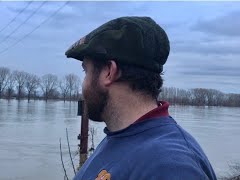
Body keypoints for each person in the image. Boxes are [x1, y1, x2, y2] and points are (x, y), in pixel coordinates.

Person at [65, 16, 217, 180]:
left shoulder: (170, 166)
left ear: (109, 71)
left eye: (86, 71)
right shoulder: (121, 137)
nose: (84, 84)